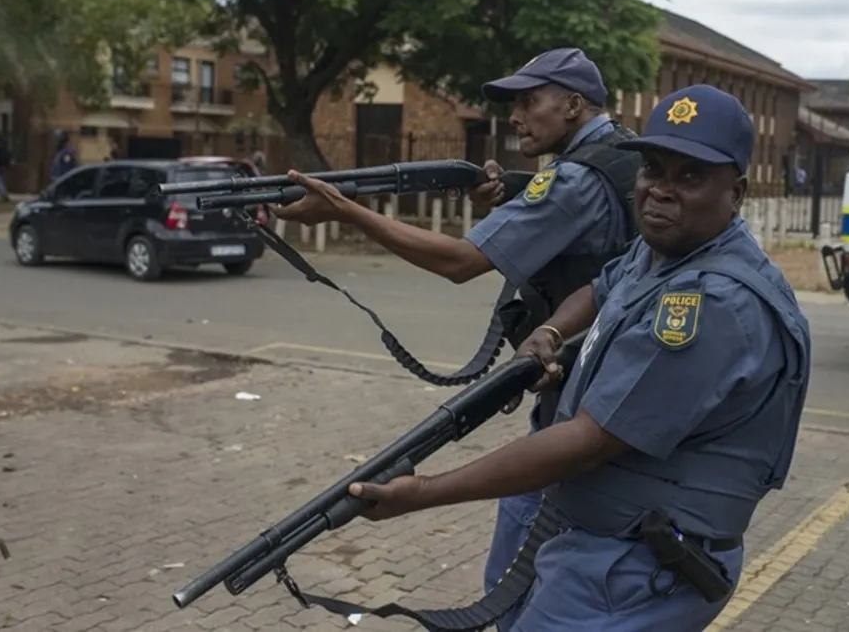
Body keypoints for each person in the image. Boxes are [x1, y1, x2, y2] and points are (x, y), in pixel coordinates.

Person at [347, 84, 811, 631]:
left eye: (690, 177)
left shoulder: (712, 303)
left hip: (635, 570)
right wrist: (551, 333)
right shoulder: (667, 247)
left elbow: (588, 441)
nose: (661, 191)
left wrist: (424, 492)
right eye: (653, 171)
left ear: (737, 191)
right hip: (604, 544)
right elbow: (603, 286)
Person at [272, 47, 640, 630]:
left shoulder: (573, 179)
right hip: (609, 385)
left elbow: (461, 262)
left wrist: (347, 212)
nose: (515, 117)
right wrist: (515, 190)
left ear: (573, 104)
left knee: (513, 574)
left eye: (529, 101)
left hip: (572, 399)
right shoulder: (623, 153)